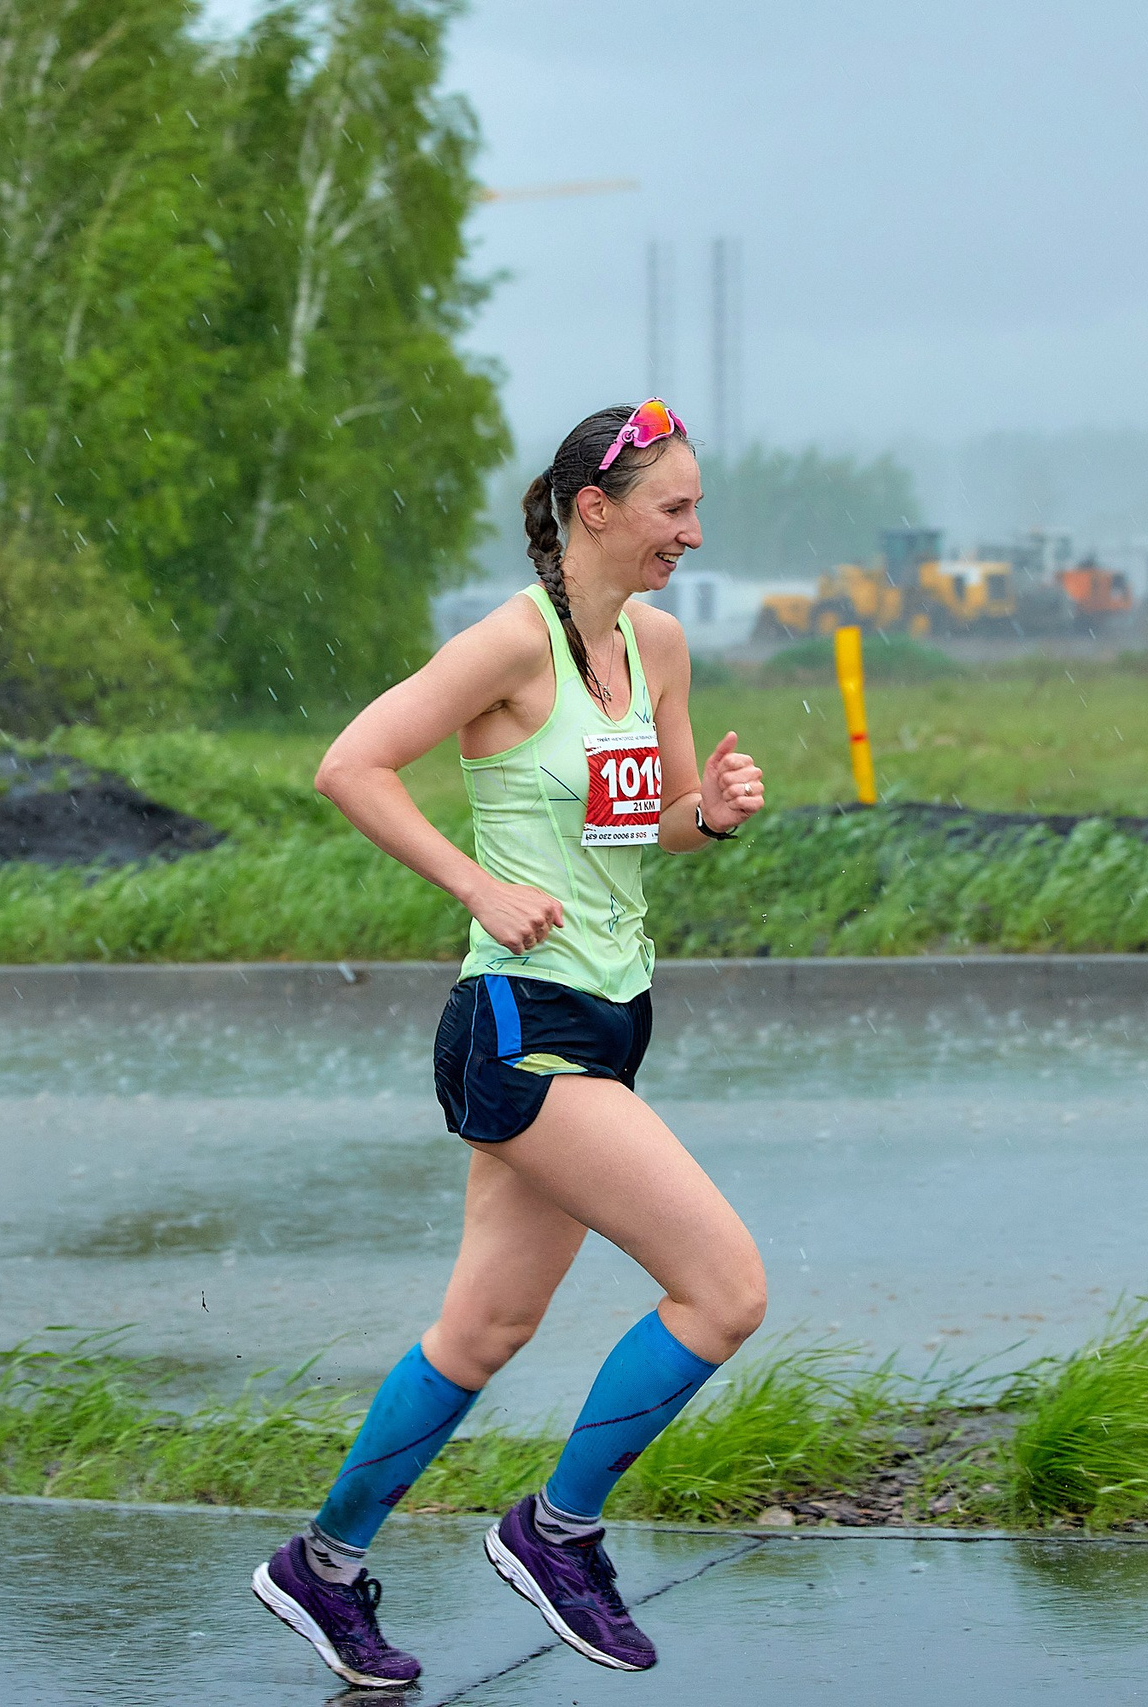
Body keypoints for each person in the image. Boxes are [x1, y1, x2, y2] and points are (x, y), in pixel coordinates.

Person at [250, 400, 769, 1688]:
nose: (692, 535)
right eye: (673, 511)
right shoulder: (507, 647)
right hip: (519, 1026)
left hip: (610, 1015)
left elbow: (656, 828)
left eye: (697, 510)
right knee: (723, 1288)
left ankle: (320, 1566)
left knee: (480, 1333)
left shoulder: (654, 647)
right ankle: (558, 1534)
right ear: (596, 510)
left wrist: (717, 815)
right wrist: (477, 889)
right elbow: (350, 766)